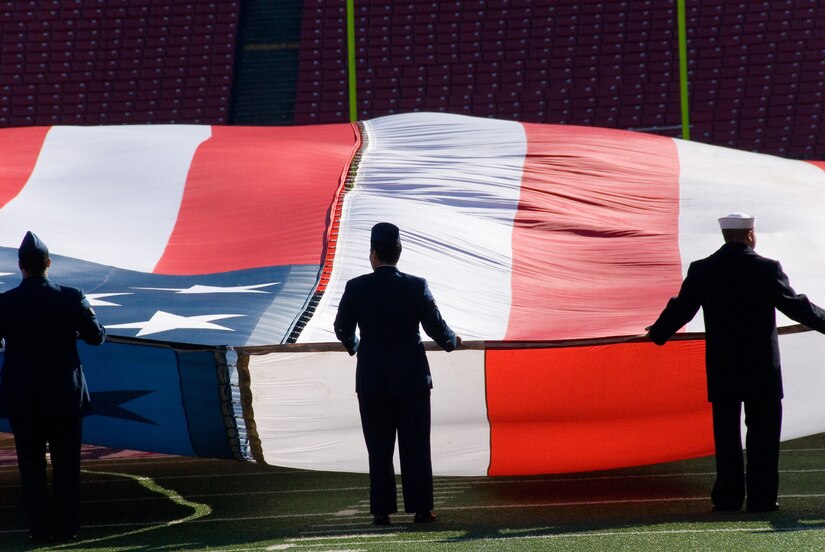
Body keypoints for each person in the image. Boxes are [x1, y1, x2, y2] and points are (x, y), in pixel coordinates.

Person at [646, 212, 825, 513]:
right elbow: (797, 308)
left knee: (726, 436)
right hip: (762, 367)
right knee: (764, 437)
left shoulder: (703, 269)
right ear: (751, 234)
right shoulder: (767, 268)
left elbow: (682, 310)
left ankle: (728, 498)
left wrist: (657, 333)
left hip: (723, 366)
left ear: (725, 236)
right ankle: (762, 499)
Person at [334, 222, 461, 526]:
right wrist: (451, 342)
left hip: (372, 379)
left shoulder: (356, 287)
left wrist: (356, 346)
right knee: (416, 445)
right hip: (412, 378)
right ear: (399, 252)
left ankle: (381, 511)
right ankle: (422, 508)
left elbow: (342, 328)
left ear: (373, 254)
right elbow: (435, 326)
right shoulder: (416, 286)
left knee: (378, 448)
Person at [0, 231, 106, 543]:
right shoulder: (71, 297)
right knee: (66, 467)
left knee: (30, 468)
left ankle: (39, 529)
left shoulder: (5, 303)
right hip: (64, 395)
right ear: (48, 263)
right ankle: (66, 528)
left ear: (21, 266)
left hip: (24, 398)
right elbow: (96, 337)